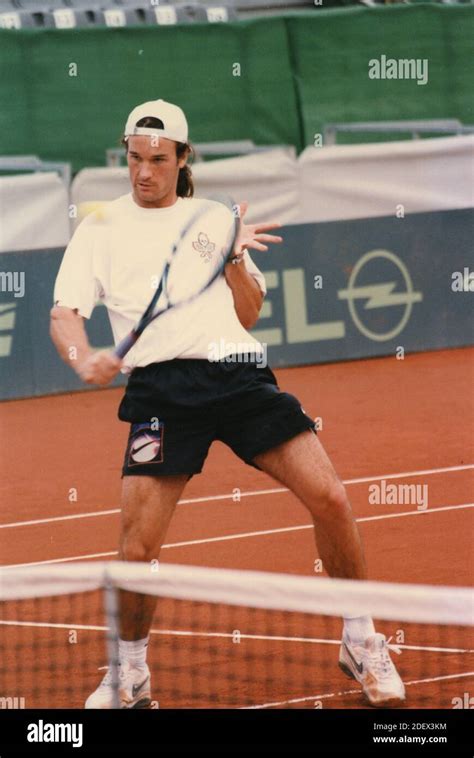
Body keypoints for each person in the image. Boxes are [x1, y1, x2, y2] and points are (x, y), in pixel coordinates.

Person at [50, 99, 405, 709]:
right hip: (162, 390)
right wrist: (83, 357)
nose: (143, 172)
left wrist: (234, 257)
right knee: (138, 547)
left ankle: (362, 639)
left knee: (332, 497)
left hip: (239, 378)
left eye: (158, 160)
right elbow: (64, 313)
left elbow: (247, 315)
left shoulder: (214, 219)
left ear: (183, 159)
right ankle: (131, 672)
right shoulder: (99, 227)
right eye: (135, 158)